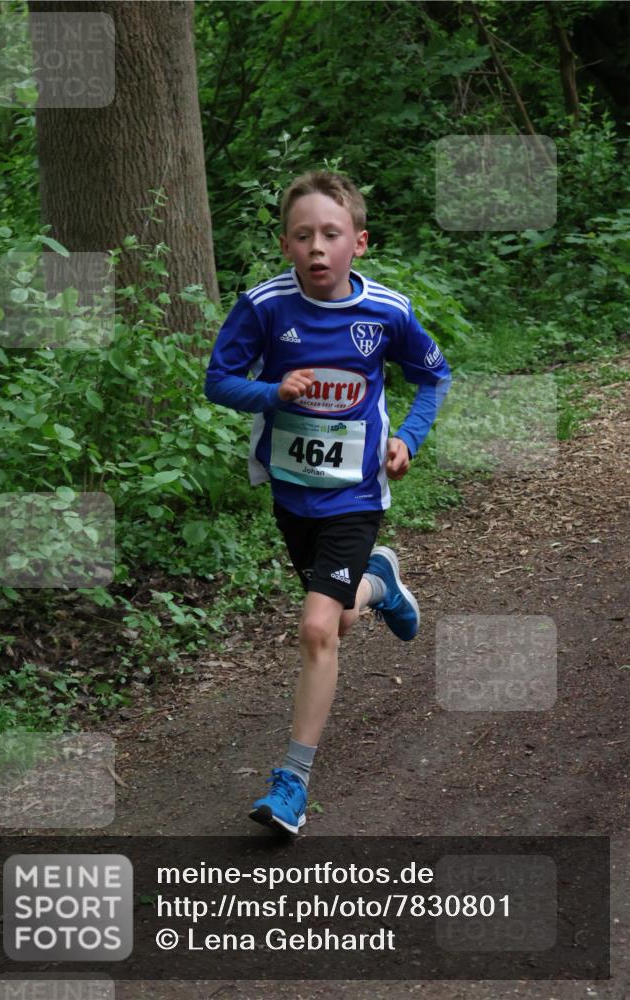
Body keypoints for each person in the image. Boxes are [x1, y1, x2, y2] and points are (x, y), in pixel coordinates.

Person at [205, 170, 451, 835]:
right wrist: (272, 394)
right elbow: (218, 380)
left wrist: (407, 436)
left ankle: (291, 782)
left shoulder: (387, 314)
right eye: (303, 235)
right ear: (286, 244)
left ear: (358, 243)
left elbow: (433, 374)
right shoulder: (263, 307)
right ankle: (381, 583)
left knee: (316, 628)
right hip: (292, 496)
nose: (317, 247)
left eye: (331, 234)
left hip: (356, 493)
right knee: (337, 623)